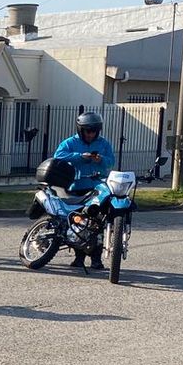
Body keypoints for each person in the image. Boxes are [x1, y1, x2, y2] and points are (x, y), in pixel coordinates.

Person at [52, 110, 116, 270]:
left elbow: (111, 162)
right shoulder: (70, 143)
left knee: (96, 223)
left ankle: (96, 259)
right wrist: (79, 156)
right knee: (77, 223)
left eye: (94, 131)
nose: (91, 134)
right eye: (88, 131)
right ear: (81, 130)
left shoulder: (103, 144)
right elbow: (58, 156)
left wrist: (100, 159)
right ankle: (78, 258)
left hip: (97, 189)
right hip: (76, 187)